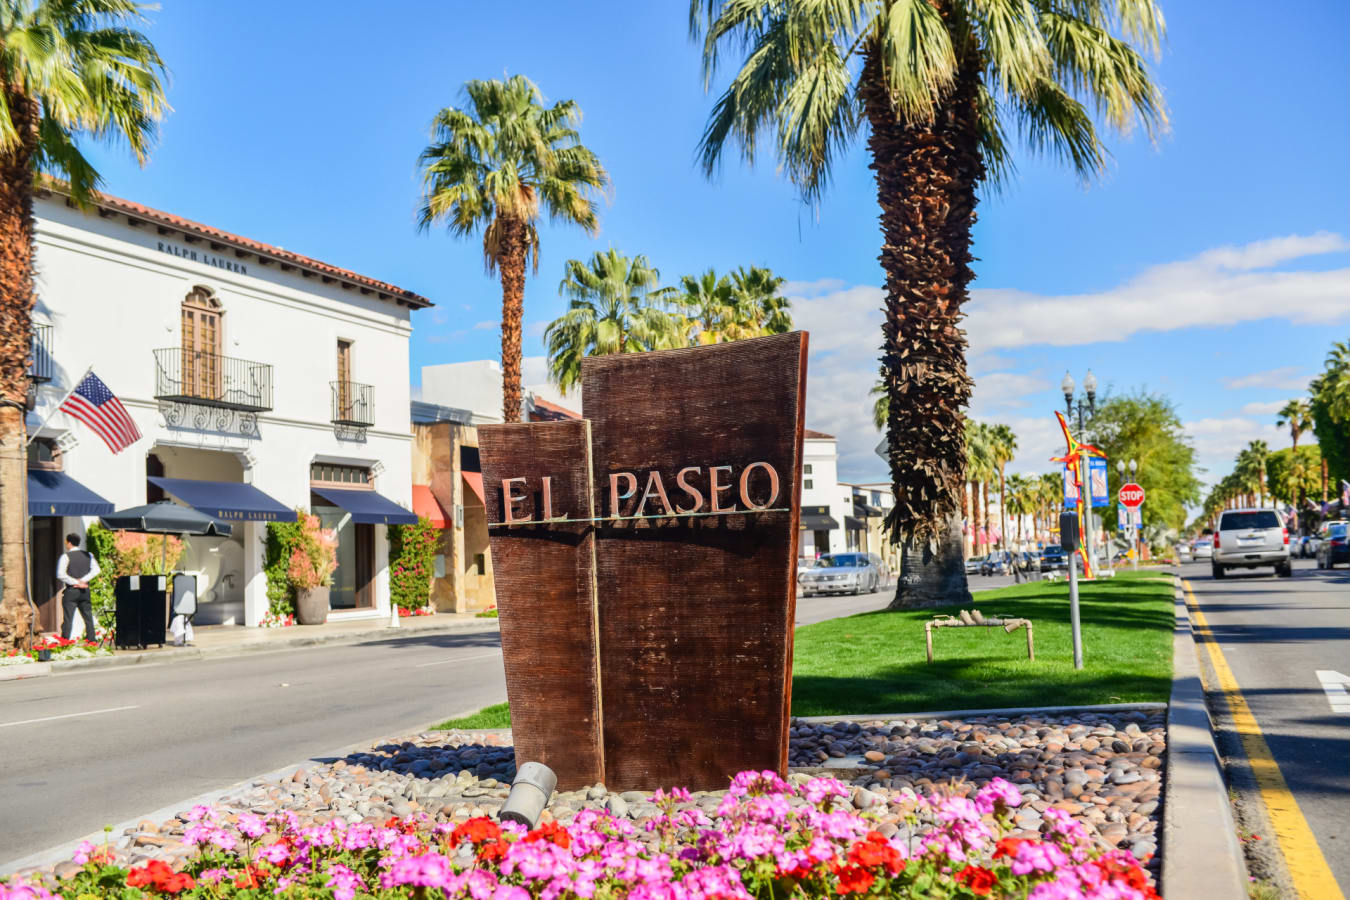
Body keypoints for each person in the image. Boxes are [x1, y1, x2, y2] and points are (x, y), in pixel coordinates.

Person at [56, 532, 100, 642]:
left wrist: (75, 581)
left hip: (71, 591)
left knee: (68, 618)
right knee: (88, 618)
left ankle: (64, 642)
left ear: (69, 543)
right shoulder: (89, 555)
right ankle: (92, 641)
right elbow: (96, 570)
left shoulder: (66, 556)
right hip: (85, 590)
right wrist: (83, 580)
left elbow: (60, 574)